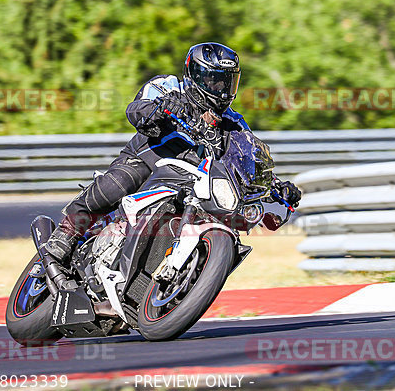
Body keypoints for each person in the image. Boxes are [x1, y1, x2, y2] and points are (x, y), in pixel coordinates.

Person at [44, 42, 301, 276]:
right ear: (195, 74)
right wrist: (161, 109)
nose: (221, 90)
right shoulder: (170, 86)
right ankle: (61, 242)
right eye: (213, 81)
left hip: (192, 182)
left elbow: (249, 157)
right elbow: (137, 108)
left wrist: (274, 185)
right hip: (147, 159)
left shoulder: (233, 122)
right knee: (117, 185)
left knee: (222, 216)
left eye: (226, 83)